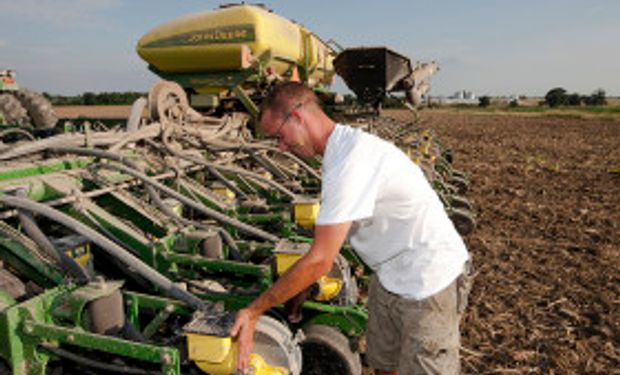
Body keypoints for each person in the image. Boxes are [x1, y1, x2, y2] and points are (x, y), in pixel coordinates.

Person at [231, 82, 472, 375]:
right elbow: (333, 236)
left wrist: (255, 310)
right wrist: (299, 282)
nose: (281, 147)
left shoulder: (350, 160)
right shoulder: (339, 152)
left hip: (429, 281)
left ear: (297, 117)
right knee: (384, 364)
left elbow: (321, 258)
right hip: (390, 275)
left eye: (279, 136)